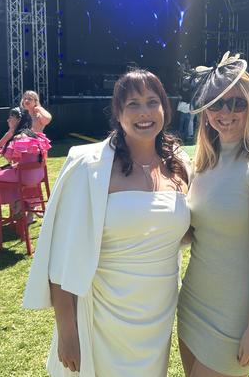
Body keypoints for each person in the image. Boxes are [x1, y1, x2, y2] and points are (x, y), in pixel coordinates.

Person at [23, 69, 190, 377]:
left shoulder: (180, 166)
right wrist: (68, 334)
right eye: (133, 104)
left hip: (158, 315)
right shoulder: (89, 167)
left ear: (165, 108)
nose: (144, 113)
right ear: (117, 112)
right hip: (102, 315)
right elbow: (62, 258)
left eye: (152, 102)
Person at [177, 52, 249, 377]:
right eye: (216, 103)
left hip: (231, 316)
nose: (225, 113)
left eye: (237, 103)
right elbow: (194, 232)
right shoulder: (201, 163)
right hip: (192, 302)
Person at [0, 107, 51, 220]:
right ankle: (22, 204)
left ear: (18, 120)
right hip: (39, 175)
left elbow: (10, 158)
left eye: (11, 118)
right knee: (11, 176)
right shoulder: (34, 135)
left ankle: (18, 204)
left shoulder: (18, 137)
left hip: (25, 176)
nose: (8, 120)